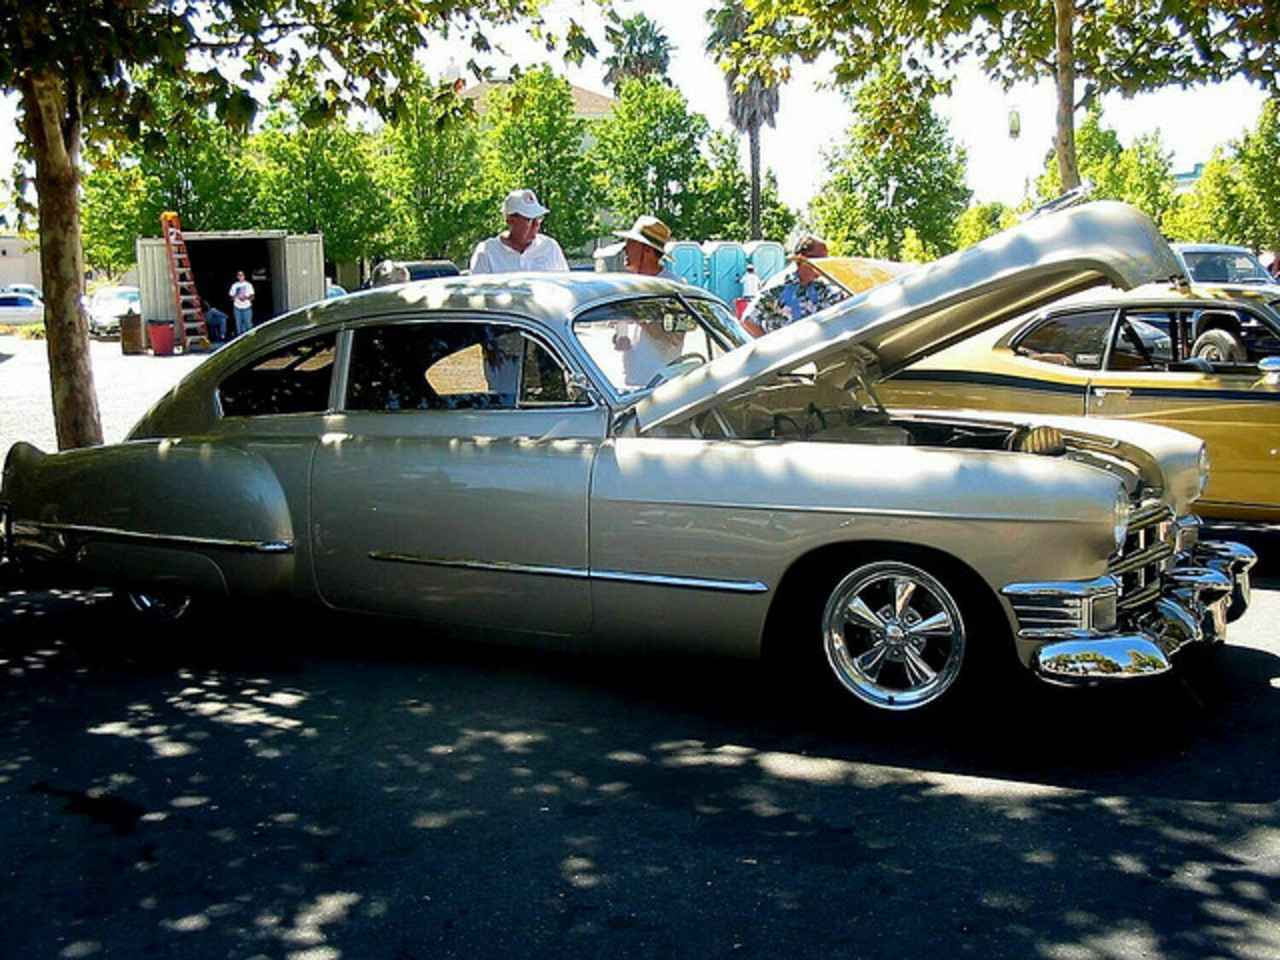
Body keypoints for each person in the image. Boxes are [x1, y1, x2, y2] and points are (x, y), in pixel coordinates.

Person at [609, 215, 685, 386]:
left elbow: (676, 337)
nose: (625, 250)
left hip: (662, 386)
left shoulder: (673, 288)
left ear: (647, 250)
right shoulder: (631, 284)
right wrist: (620, 338)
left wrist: (638, 315)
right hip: (633, 382)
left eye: (630, 244)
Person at [741, 235, 847, 337]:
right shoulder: (779, 287)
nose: (823, 265)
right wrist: (771, 349)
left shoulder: (821, 286)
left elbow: (844, 302)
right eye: (819, 260)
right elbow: (748, 320)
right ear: (802, 258)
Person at [469, 189, 569, 273]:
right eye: (529, 220)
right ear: (511, 221)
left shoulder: (550, 247)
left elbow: (565, 287)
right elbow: (478, 293)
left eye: (538, 219)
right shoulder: (487, 252)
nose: (536, 225)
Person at [229, 270, 255, 336]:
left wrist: (245, 298)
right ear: (237, 276)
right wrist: (236, 296)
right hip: (237, 308)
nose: (240, 277)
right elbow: (231, 297)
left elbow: (252, 297)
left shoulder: (248, 285)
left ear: (244, 276)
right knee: (238, 326)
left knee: (248, 325)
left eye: (242, 275)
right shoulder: (234, 285)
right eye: (239, 275)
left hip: (247, 308)